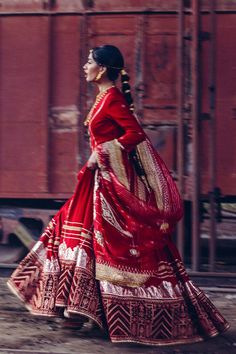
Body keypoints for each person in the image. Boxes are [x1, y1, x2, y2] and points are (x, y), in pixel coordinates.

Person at [8, 44, 229, 346]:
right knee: (71, 236)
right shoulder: (103, 98)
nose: (84, 66)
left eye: (89, 62)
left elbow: (135, 134)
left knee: (107, 248)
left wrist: (101, 153)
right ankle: (77, 310)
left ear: (101, 68)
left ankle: (99, 313)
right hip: (96, 183)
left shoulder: (112, 99)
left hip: (109, 187)